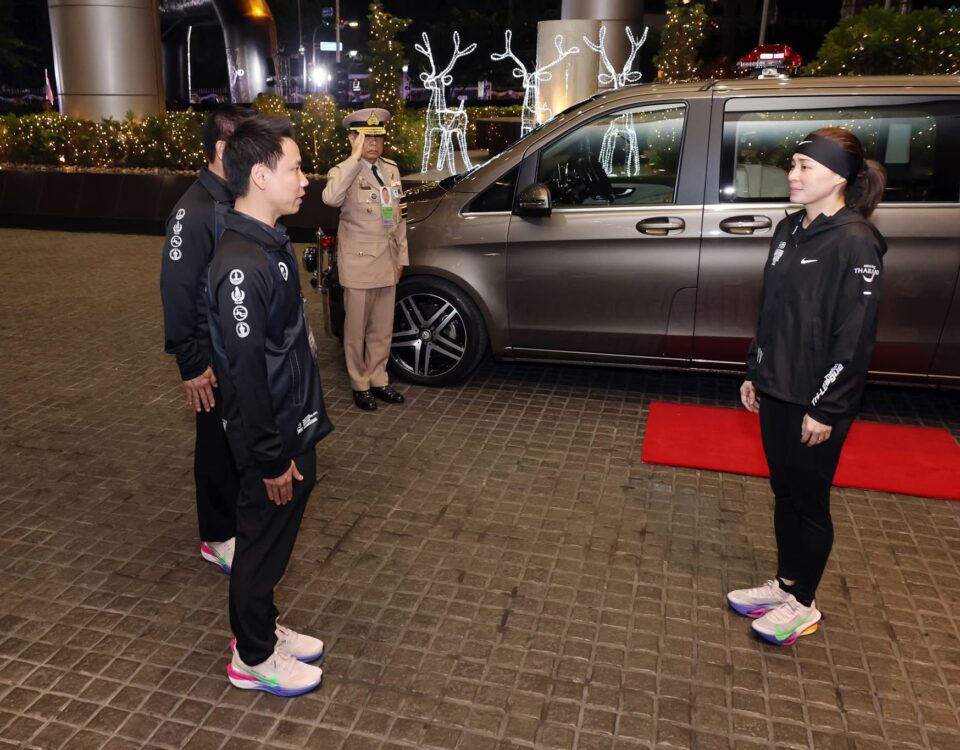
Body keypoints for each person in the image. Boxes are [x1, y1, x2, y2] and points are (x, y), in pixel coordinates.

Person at [728, 127, 888, 646]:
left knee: (809, 500)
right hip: (777, 386)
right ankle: (786, 583)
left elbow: (855, 336)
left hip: (817, 401)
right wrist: (755, 370)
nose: (792, 175)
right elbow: (772, 311)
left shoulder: (856, 241)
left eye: (804, 167)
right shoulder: (789, 229)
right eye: (793, 165)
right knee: (784, 491)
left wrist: (827, 408)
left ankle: (804, 604)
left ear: (838, 176)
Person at [207, 115, 333, 696]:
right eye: (296, 168)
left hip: (291, 425)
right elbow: (246, 375)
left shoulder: (270, 245)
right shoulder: (241, 262)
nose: (305, 180)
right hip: (271, 439)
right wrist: (270, 456)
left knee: (274, 542)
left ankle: (261, 627)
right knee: (259, 545)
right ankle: (253, 656)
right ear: (260, 176)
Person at [160, 105, 251, 575]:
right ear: (221, 148)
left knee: (237, 440)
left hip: (234, 349)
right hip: (209, 354)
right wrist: (191, 362)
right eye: (246, 144)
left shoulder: (232, 199)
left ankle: (236, 522)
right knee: (215, 444)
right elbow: (177, 289)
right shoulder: (193, 210)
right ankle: (217, 537)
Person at [322, 108, 409, 411]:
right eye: (366, 137)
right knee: (356, 330)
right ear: (352, 139)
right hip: (359, 263)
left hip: (387, 260)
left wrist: (402, 257)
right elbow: (331, 198)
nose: (374, 143)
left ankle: (378, 379)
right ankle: (359, 384)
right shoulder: (343, 171)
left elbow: (398, 217)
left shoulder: (391, 169)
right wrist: (353, 158)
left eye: (378, 137)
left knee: (382, 329)